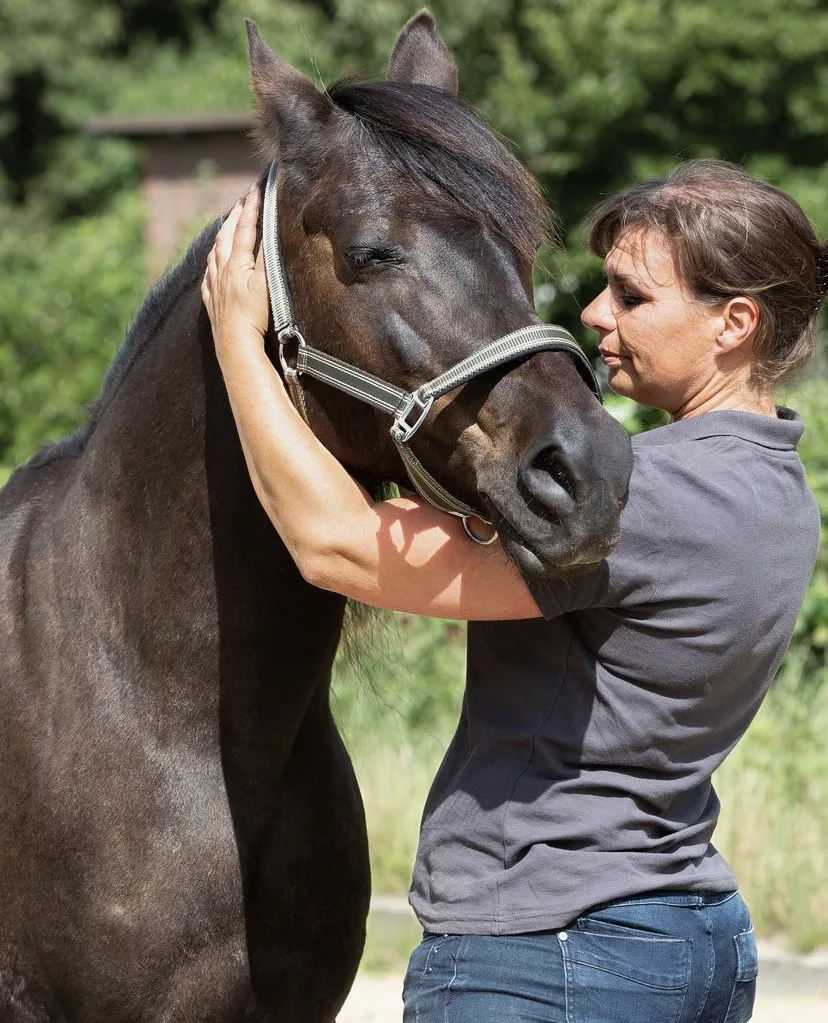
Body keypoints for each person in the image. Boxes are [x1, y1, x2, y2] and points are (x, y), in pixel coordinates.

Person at [201, 159, 821, 1023]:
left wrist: (239, 337)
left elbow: (337, 547)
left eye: (632, 297)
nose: (597, 314)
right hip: (690, 929)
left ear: (735, 323)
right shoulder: (777, 488)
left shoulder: (650, 499)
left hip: (549, 951)